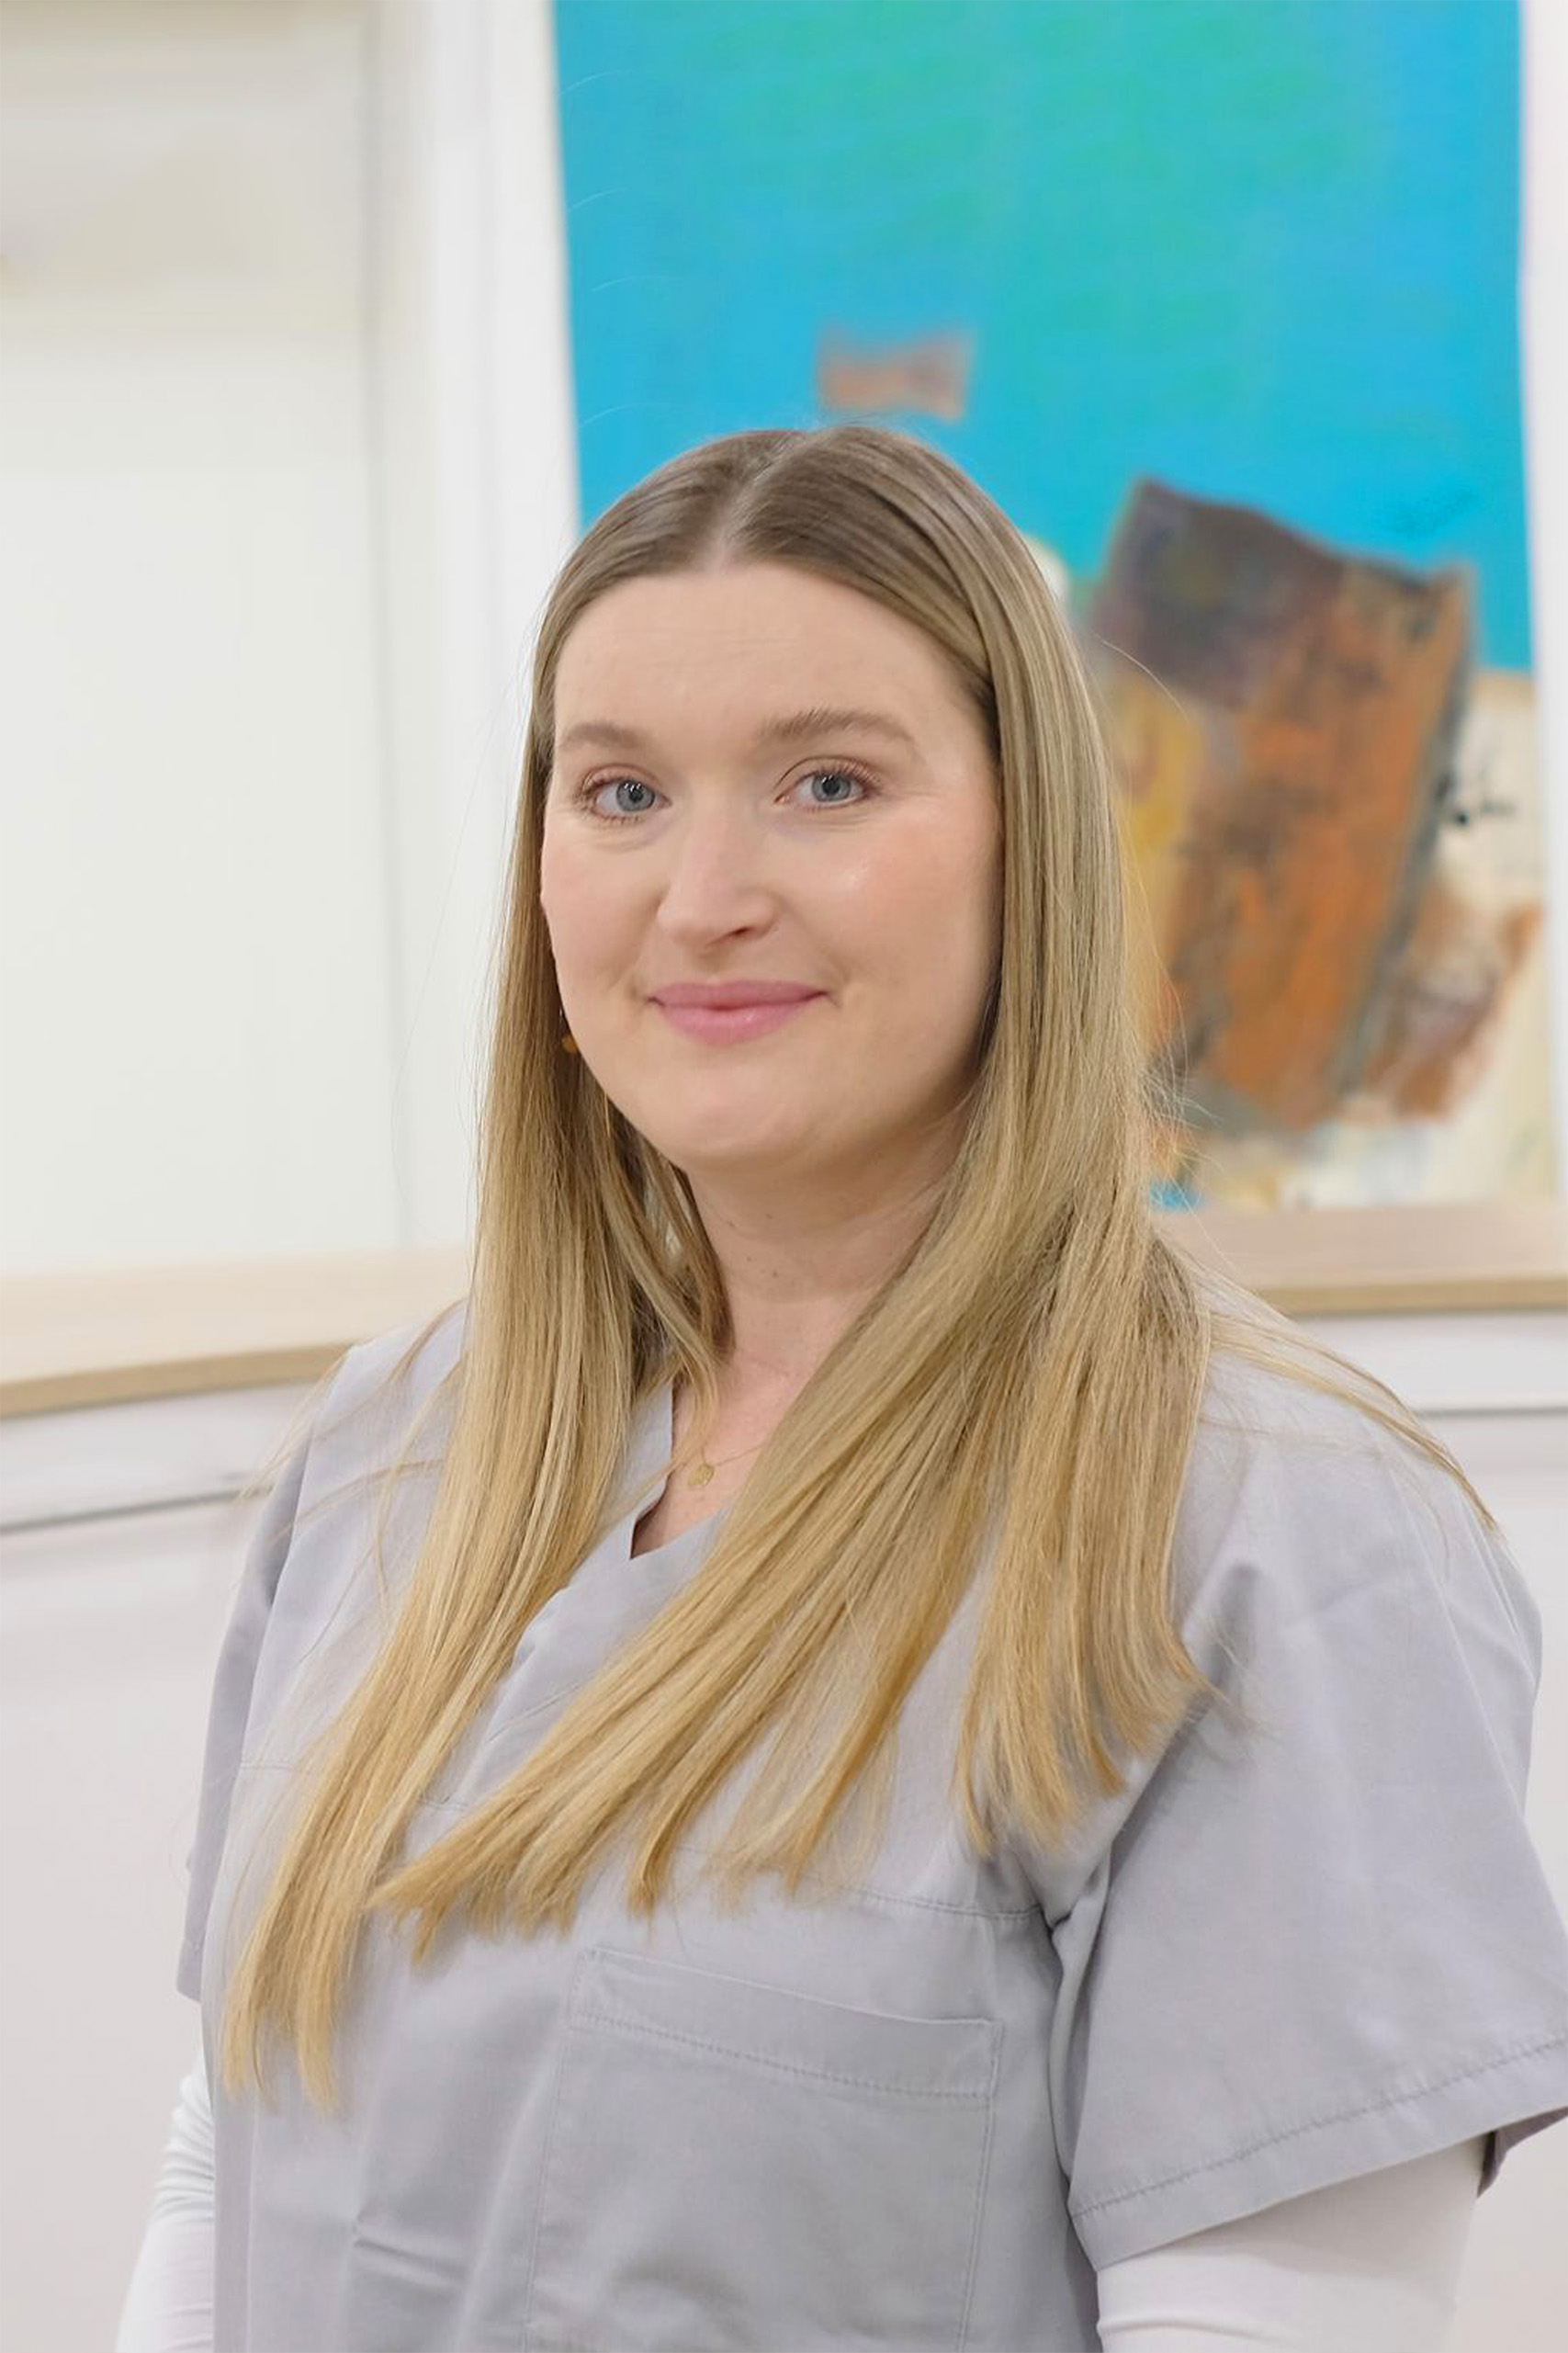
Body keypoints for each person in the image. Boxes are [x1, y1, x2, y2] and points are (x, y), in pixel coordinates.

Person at [118, 424, 1567, 2352]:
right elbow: (227, 2162)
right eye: (621, 791)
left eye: (828, 783)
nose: (702, 894)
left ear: (1030, 846)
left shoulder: (1262, 1540)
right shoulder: (392, 1453)